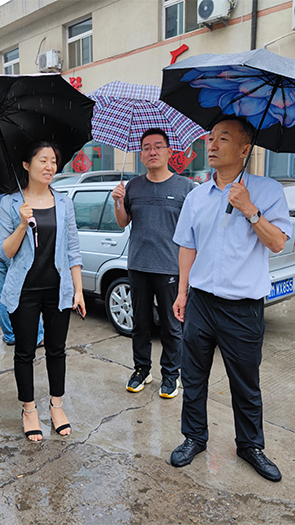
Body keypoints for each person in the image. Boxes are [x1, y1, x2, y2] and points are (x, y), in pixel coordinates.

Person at [169, 116, 292, 482]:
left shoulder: (267, 191)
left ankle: (250, 446)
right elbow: (187, 246)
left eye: (223, 138)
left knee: (245, 383)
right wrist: (182, 291)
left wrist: (249, 209)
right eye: (210, 138)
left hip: (242, 308)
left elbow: (278, 242)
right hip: (201, 304)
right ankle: (194, 437)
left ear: (244, 149)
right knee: (193, 377)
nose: (211, 145)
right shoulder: (196, 196)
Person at [0, 142, 85, 442]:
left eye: (54, 161)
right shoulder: (10, 203)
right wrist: (22, 224)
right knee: (25, 352)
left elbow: (73, 249)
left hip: (58, 289)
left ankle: (56, 406)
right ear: (26, 164)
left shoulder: (64, 202)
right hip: (24, 291)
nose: (50, 167)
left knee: (56, 350)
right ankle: (29, 409)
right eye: (43, 160)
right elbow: (4, 253)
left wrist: (78, 290)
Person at [111, 128, 194, 399]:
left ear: (169, 152)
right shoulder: (133, 186)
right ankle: (142, 370)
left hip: (170, 267)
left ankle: (171, 375)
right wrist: (118, 202)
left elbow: (193, 232)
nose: (152, 151)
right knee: (141, 325)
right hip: (138, 266)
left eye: (158, 146)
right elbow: (123, 221)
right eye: (146, 147)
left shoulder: (185, 187)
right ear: (141, 154)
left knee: (171, 326)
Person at [0, 194, 43, 347]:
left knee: (0, 294)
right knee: (26, 292)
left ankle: (10, 335)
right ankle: (36, 337)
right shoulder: (17, 197)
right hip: (13, 249)